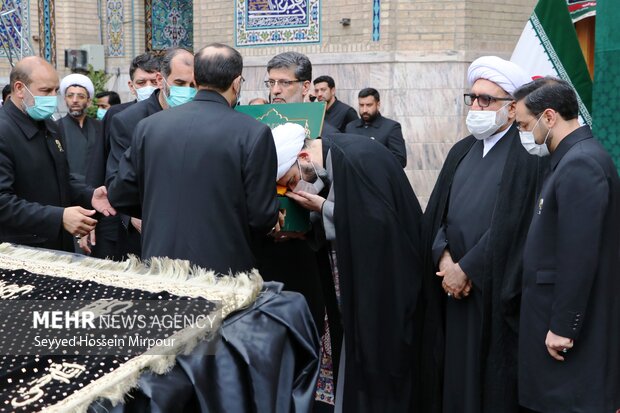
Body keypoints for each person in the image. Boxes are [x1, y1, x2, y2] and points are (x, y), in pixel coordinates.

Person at [274, 127, 424, 412]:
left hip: (388, 290)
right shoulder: (332, 162)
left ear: (304, 157)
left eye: (292, 181)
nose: (294, 191)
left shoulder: (358, 158)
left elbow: (380, 229)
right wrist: (306, 230)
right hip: (357, 290)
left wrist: (323, 208)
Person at [422, 56, 541, 413]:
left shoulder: (528, 155)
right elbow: (438, 214)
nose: (475, 106)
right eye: (471, 98)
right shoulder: (461, 151)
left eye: (486, 100)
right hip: (451, 287)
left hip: (492, 292)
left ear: (512, 108)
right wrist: (444, 258)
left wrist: (468, 269)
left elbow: (515, 225)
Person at [107, 43, 279, 274]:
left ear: (196, 80)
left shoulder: (149, 128)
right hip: (223, 270)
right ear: (237, 82)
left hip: (161, 265)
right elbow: (261, 217)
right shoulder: (253, 133)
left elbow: (120, 194)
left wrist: (161, 211)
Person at [513, 77, 620, 413]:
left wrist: (562, 326)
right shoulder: (570, 158)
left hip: (568, 333)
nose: (525, 134)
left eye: (525, 125)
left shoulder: (580, 163)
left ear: (549, 117)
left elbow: (579, 254)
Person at [0, 56, 114, 252]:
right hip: (18, 252)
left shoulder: (50, 126)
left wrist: (89, 195)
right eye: (45, 91)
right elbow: (3, 202)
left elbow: (61, 177)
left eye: (55, 90)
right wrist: (58, 217)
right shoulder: (4, 130)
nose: (53, 98)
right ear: (19, 89)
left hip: (56, 246)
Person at [101, 47, 194, 260]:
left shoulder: (201, 116)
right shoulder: (129, 120)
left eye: (194, 85)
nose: (188, 91)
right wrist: (134, 216)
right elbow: (116, 181)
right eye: (180, 84)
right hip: (144, 233)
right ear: (162, 80)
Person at [345, 87, 407, 167]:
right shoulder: (350, 127)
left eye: (369, 105)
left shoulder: (391, 127)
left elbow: (400, 160)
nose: (364, 110)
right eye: (361, 105)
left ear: (378, 105)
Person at [57, 74, 101, 183]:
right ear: (65, 99)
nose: (75, 100)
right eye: (70, 96)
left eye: (81, 96)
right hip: (68, 190)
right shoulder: (55, 128)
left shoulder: (100, 127)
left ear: (89, 101)